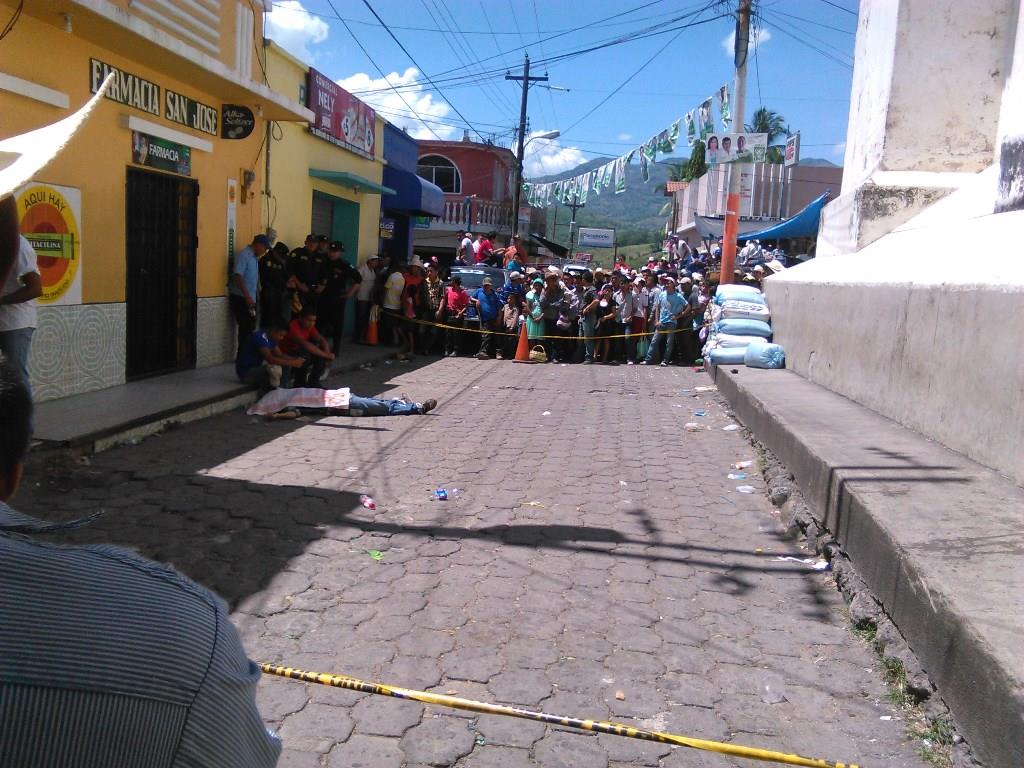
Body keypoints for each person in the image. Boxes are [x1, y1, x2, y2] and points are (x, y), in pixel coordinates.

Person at [247, 383, 436, 418]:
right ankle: (415, 408)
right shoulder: (292, 403)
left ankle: (404, 405)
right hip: (341, 405)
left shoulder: (291, 396)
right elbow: (291, 414)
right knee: (376, 407)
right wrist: (276, 417)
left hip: (341, 399)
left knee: (375, 405)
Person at [0, 235, 41, 390]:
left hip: (16, 323)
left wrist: (2, 300)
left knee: (15, 376)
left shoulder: (18, 247)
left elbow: (35, 288)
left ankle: (23, 414)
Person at [316, 241, 361, 356]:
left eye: (335, 251)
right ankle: (318, 347)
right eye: (331, 251)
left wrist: (350, 294)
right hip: (322, 298)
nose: (332, 253)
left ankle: (336, 349)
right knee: (320, 323)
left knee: (337, 325)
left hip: (337, 299)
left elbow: (358, 279)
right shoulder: (322, 261)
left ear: (340, 252)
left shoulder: (344, 265)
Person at [229, 234, 268, 354]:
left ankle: (247, 354)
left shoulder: (254, 258)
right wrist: (247, 296)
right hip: (242, 298)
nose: (265, 251)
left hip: (250, 299)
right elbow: (238, 276)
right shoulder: (244, 255)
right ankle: (242, 356)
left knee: (250, 328)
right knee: (245, 329)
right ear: (258, 245)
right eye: (265, 248)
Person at [235, 326, 303, 391]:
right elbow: (270, 359)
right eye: (281, 335)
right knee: (274, 369)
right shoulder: (259, 337)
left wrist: (296, 359)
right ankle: (271, 393)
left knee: (285, 364)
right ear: (273, 331)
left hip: (257, 370)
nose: (282, 338)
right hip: (247, 374)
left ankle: (282, 390)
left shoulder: (271, 337)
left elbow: (279, 355)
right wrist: (292, 362)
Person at [280, 309, 335, 387]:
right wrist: (327, 355)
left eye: (313, 321)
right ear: (300, 318)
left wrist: (327, 352)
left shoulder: (309, 326)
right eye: (309, 320)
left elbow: (321, 339)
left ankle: (314, 382)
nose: (311, 323)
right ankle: (300, 384)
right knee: (305, 357)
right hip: (287, 352)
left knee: (320, 353)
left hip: (299, 350)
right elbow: (306, 345)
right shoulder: (293, 327)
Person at [642, 276, 687, 366]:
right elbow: (657, 307)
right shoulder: (662, 294)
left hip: (671, 323)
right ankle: (648, 359)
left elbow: (687, 306)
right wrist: (656, 320)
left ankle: (665, 360)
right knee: (654, 341)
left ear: (673, 284)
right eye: (665, 283)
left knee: (669, 342)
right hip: (661, 322)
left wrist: (679, 316)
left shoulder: (678, 296)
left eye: (668, 282)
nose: (666, 284)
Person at [288, 234, 325, 314]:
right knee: (298, 314)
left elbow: (324, 273)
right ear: (305, 242)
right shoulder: (298, 253)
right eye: (310, 242)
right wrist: (299, 285)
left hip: (314, 291)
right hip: (299, 290)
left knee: (312, 315)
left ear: (317, 244)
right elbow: (290, 271)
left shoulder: (320, 257)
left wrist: (322, 285)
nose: (312, 244)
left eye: (314, 243)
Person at [259, 241, 291, 329]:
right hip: (268, 293)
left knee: (277, 318)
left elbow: (286, 276)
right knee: (267, 319)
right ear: (276, 252)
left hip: (278, 294)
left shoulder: (280, 263)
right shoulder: (265, 260)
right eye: (281, 256)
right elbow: (268, 278)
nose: (282, 259)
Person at [470, 276, 502, 359]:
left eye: (488, 285)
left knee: (497, 336)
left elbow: (499, 307)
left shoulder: (495, 294)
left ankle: (498, 353)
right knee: (485, 335)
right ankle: (483, 352)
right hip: (484, 318)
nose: (486, 287)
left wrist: (499, 317)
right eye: (485, 285)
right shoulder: (479, 291)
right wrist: (476, 301)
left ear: (491, 286)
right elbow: (471, 298)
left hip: (494, 318)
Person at [353, 254, 380, 343]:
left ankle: (363, 336)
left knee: (365, 319)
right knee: (360, 318)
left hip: (369, 298)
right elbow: (355, 280)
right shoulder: (362, 269)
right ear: (369, 261)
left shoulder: (372, 271)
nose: (376, 263)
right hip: (362, 297)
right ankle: (358, 337)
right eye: (375, 261)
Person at [421, 261, 446, 355]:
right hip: (425, 310)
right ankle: (422, 347)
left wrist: (440, 310)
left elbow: (443, 297)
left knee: (433, 332)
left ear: (436, 272)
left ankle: (427, 349)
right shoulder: (424, 282)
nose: (429, 273)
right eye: (428, 271)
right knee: (421, 330)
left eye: (431, 271)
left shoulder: (440, 283)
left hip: (436, 310)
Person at [442, 275, 469, 357]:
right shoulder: (448, 290)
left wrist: (461, 313)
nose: (450, 283)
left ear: (456, 282)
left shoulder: (463, 292)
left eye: (452, 281)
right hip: (449, 314)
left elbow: (466, 305)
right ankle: (447, 349)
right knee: (448, 334)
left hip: (457, 315)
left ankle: (455, 350)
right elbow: (444, 299)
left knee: (456, 334)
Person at [578, 270, 599, 364]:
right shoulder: (586, 289)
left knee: (588, 337)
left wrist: (587, 308)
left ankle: (589, 357)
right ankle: (582, 355)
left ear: (584, 279)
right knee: (581, 337)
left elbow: (596, 301)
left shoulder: (592, 290)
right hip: (583, 317)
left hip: (589, 317)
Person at [524, 277, 545, 351]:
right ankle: (532, 352)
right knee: (531, 337)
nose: (537, 287)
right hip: (532, 319)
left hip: (541, 319)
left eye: (539, 285)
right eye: (535, 285)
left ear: (542, 286)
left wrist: (540, 317)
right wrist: (533, 317)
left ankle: (538, 353)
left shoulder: (544, 296)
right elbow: (528, 307)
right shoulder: (530, 295)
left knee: (540, 338)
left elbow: (545, 309)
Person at [498, 292, 521, 360]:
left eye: (511, 298)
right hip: (505, 325)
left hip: (512, 326)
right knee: (505, 341)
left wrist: (512, 327)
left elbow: (515, 318)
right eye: (508, 298)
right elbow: (501, 312)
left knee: (512, 341)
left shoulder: (515, 308)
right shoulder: (505, 306)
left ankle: (511, 355)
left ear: (514, 300)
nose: (509, 299)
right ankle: (505, 353)